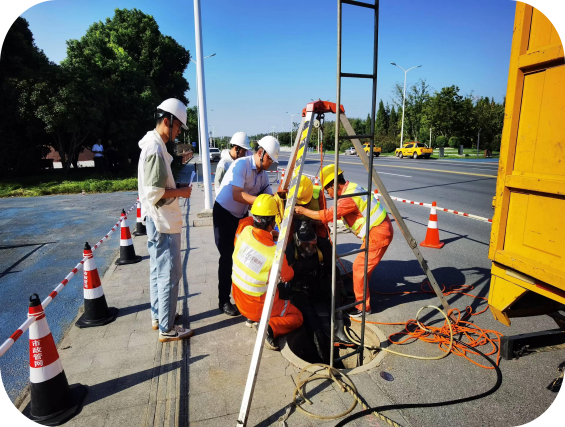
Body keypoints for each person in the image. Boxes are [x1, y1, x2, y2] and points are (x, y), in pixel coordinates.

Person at [294, 165, 394, 318]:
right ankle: (361, 294)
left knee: (359, 268)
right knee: (363, 269)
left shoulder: (348, 198)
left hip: (378, 234)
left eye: (327, 190)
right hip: (378, 229)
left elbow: (329, 214)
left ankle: (363, 307)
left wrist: (303, 211)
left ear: (333, 185)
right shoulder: (352, 188)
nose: (328, 194)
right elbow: (345, 214)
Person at [138, 98, 194, 342]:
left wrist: (176, 186)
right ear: (167, 121)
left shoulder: (155, 145)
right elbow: (154, 192)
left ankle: (159, 316)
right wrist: (181, 191)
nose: (178, 132)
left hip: (157, 220)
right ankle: (167, 328)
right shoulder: (155, 148)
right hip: (162, 221)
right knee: (169, 275)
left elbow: (158, 185)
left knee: (157, 271)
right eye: (178, 126)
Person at [213, 135, 280, 317]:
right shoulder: (241, 165)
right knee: (227, 257)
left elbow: (268, 196)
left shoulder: (262, 175)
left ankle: (241, 296)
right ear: (261, 153)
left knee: (243, 256)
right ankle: (223, 300)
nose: (270, 164)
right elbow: (237, 195)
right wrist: (263, 202)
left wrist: (277, 200)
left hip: (241, 216)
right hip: (224, 214)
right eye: (269, 159)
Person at [232, 194, 303, 350]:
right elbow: (288, 276)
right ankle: (267, 328)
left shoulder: (244, 230)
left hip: (238, 299)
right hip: (257, 307)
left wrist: (269, 235)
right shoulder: (274, 253)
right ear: (272, 222)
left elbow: (251, 223)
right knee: (297, 317)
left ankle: (251, 319)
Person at [214, 132, 252, 197]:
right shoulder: (224, 164)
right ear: (236, 148)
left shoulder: (241, 162)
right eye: (243, 151)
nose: (245, 154)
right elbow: (218, 187)